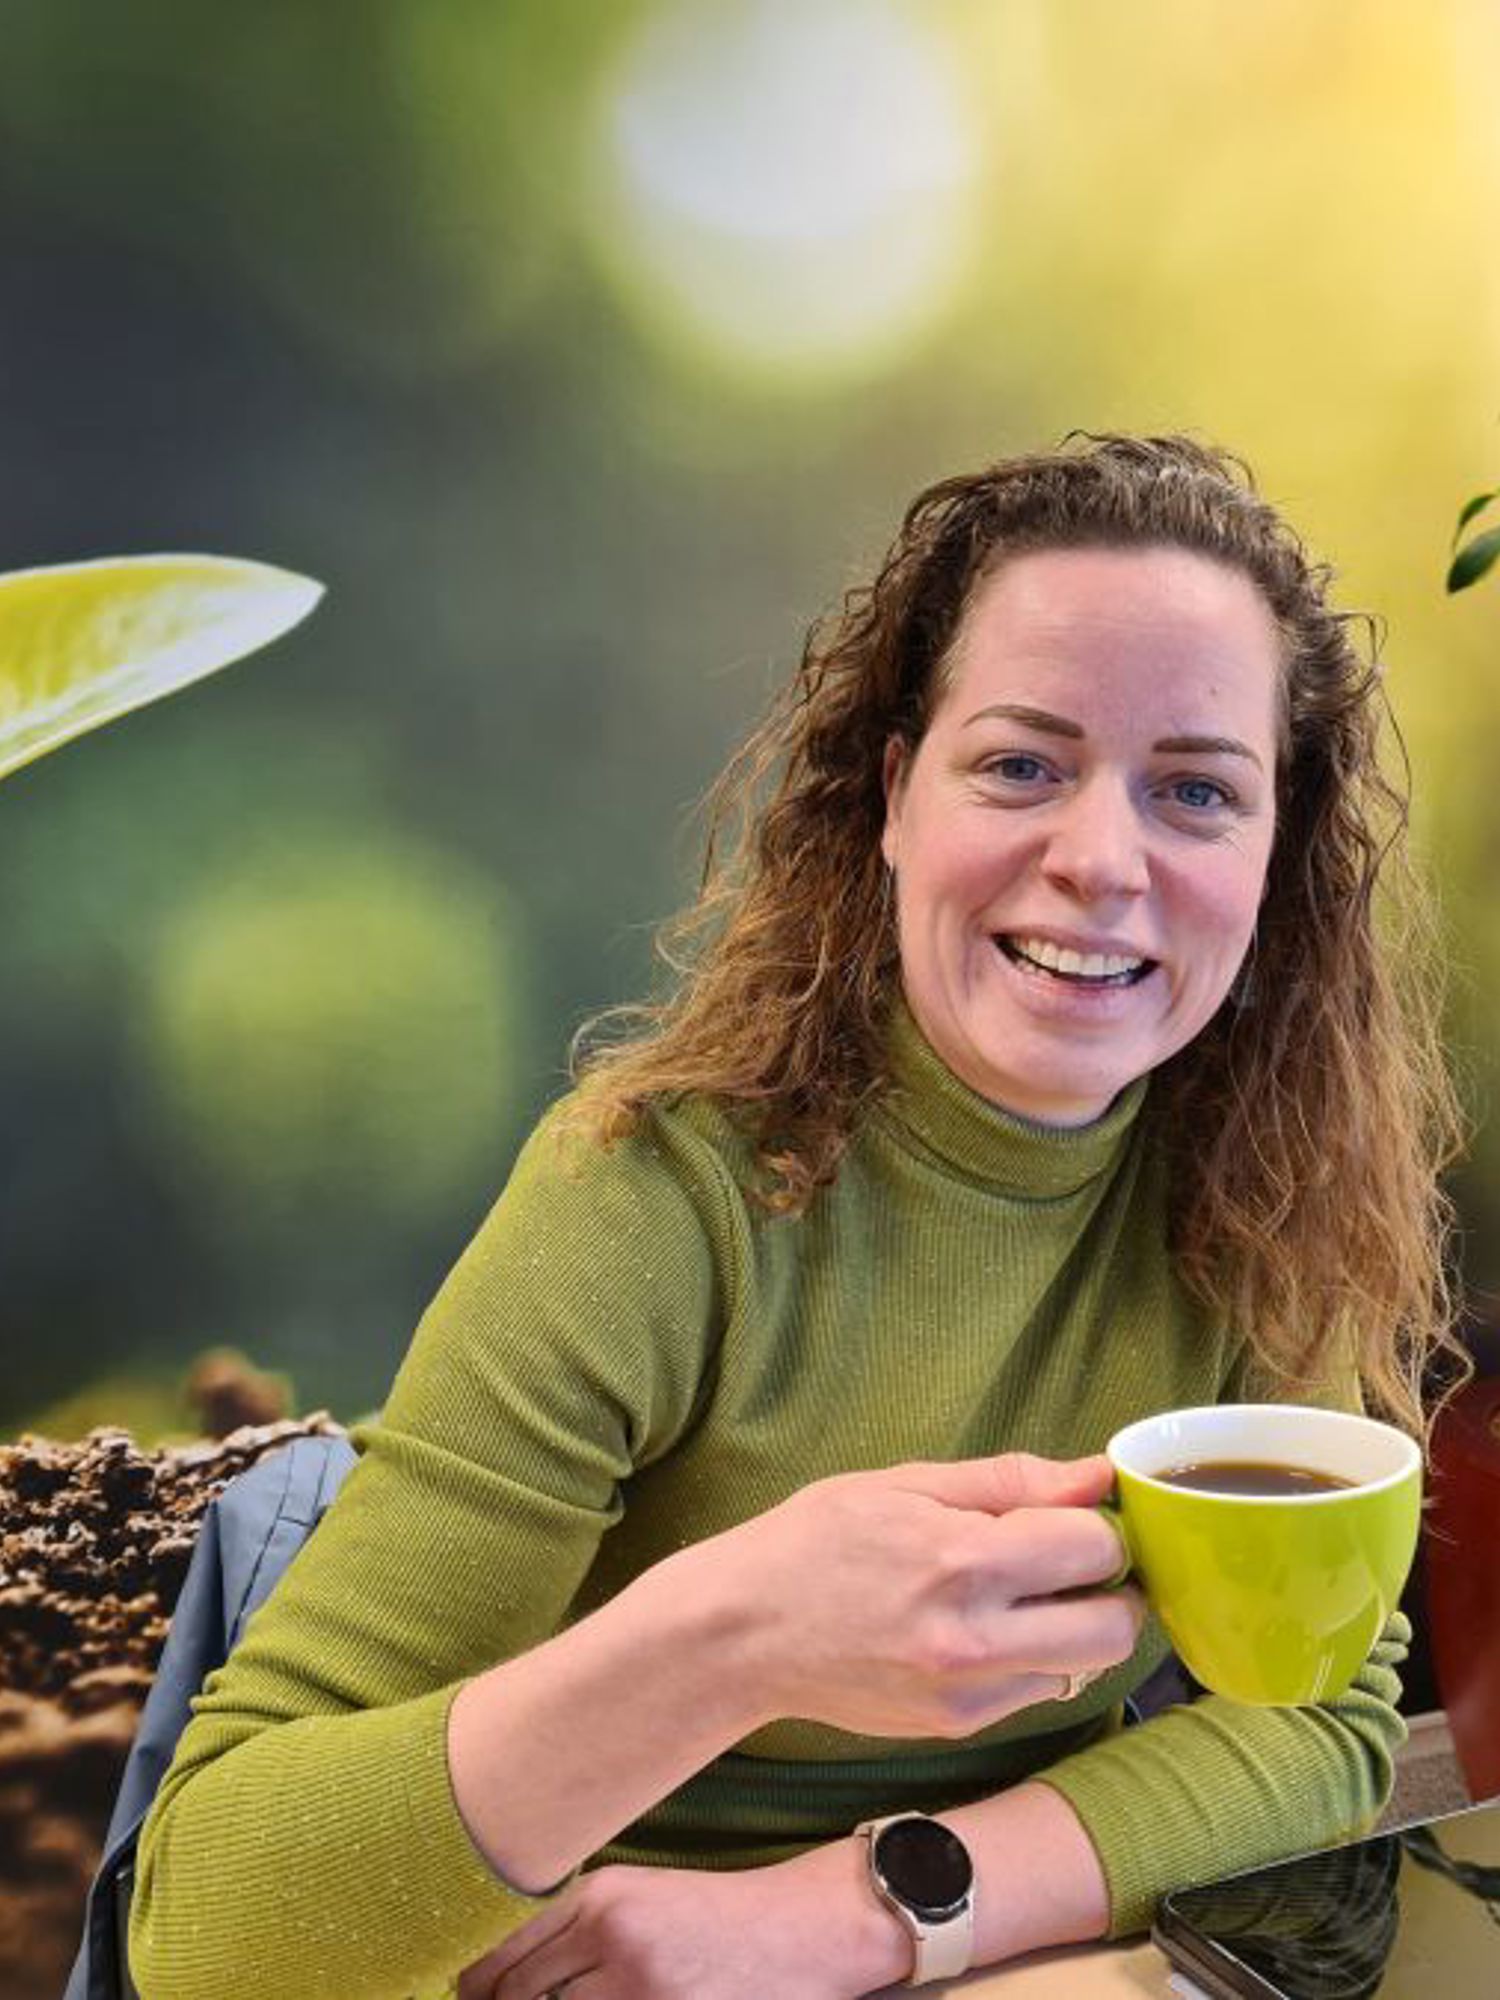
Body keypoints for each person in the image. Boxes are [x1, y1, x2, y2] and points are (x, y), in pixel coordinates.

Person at [128, 434, 1465, 2000]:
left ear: (1276, 855)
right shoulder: (651, 1198)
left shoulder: (1268, 1197)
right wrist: (737, 1633)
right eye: (1022, 764)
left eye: (1196, 791)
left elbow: (1319, 1715)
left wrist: (865, 1910)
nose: (1103, 860)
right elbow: (208, 1927)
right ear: (896, 798)